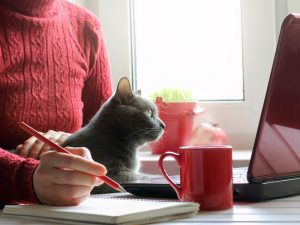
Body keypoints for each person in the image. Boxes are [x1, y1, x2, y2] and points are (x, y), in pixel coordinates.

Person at [0, 0, 113, 206]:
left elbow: (109, 136)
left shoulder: (87, 26)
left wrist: (72, 140)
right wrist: (28, 178)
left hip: (70, 209)